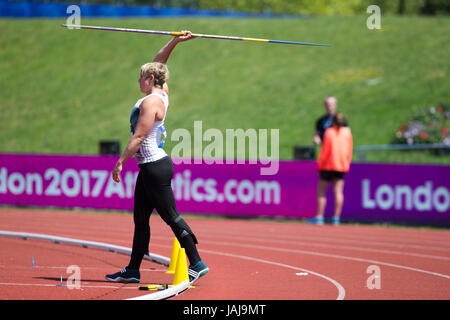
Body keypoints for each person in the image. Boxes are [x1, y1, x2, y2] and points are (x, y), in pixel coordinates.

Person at [105, 31, 209, 284]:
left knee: (171, 216)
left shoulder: (152, 102)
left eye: (141, 77)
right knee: (140, 220)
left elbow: (139, 137)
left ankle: (196, 262)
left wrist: (120, 162)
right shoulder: (161, 93)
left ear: (150, 79)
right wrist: (176, 41)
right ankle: (132, 270)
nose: (138, 80)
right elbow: (159, 62)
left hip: (154, 167)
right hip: (150, 168)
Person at [308, 113, 353, 225]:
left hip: (328, 165)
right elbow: (349, 149)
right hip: (341, 165)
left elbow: (325, 151)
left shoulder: (329, 132)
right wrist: (346, 163)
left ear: (333, 122)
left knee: (321, 191)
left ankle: (319, 216)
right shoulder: (347, 133)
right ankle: (336, 218)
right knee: (338, 192)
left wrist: (320, 165)